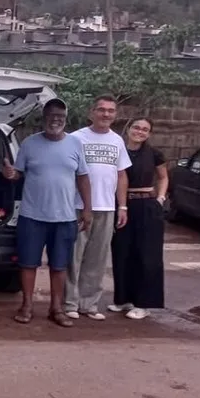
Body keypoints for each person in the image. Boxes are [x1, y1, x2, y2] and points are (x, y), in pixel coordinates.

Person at [3, 98, 92, 327]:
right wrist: (11, 174)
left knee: (59, 265)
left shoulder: (75, 144)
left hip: (64, 218)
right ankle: (27, 305)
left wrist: (87, 209)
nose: (56, 120)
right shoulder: (29, 144)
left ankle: (56, 308)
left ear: (66, 119)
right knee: (28, 263)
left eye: (60, 117)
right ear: (44, 118)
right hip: (32, 216)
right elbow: (18, 174)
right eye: (51, 116)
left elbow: (83, 178)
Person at [64, 95, 131, 321]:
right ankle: (69, 303)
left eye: (110, 111)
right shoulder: (75, 138)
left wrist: (122, 206)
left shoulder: (117, 141)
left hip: (106, 208)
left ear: (115, 115)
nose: (106, 114)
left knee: (97, 258)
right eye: (101, 110)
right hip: (77, 206)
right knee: (73, 257)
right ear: (91, 112)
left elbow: (121, 175)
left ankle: (89, 304)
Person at [109, 117, 168, 320]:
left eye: (145, 130)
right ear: (128, 129)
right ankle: (123, 299)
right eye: (136, 127)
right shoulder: (117, 149)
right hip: (123, 205)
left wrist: (160, 198)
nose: (140, 132)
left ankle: (144, 303)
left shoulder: (154, 154)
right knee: (122, 252)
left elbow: (163, 177)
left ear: (149, 134)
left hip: (147, 206)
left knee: (147, 255)